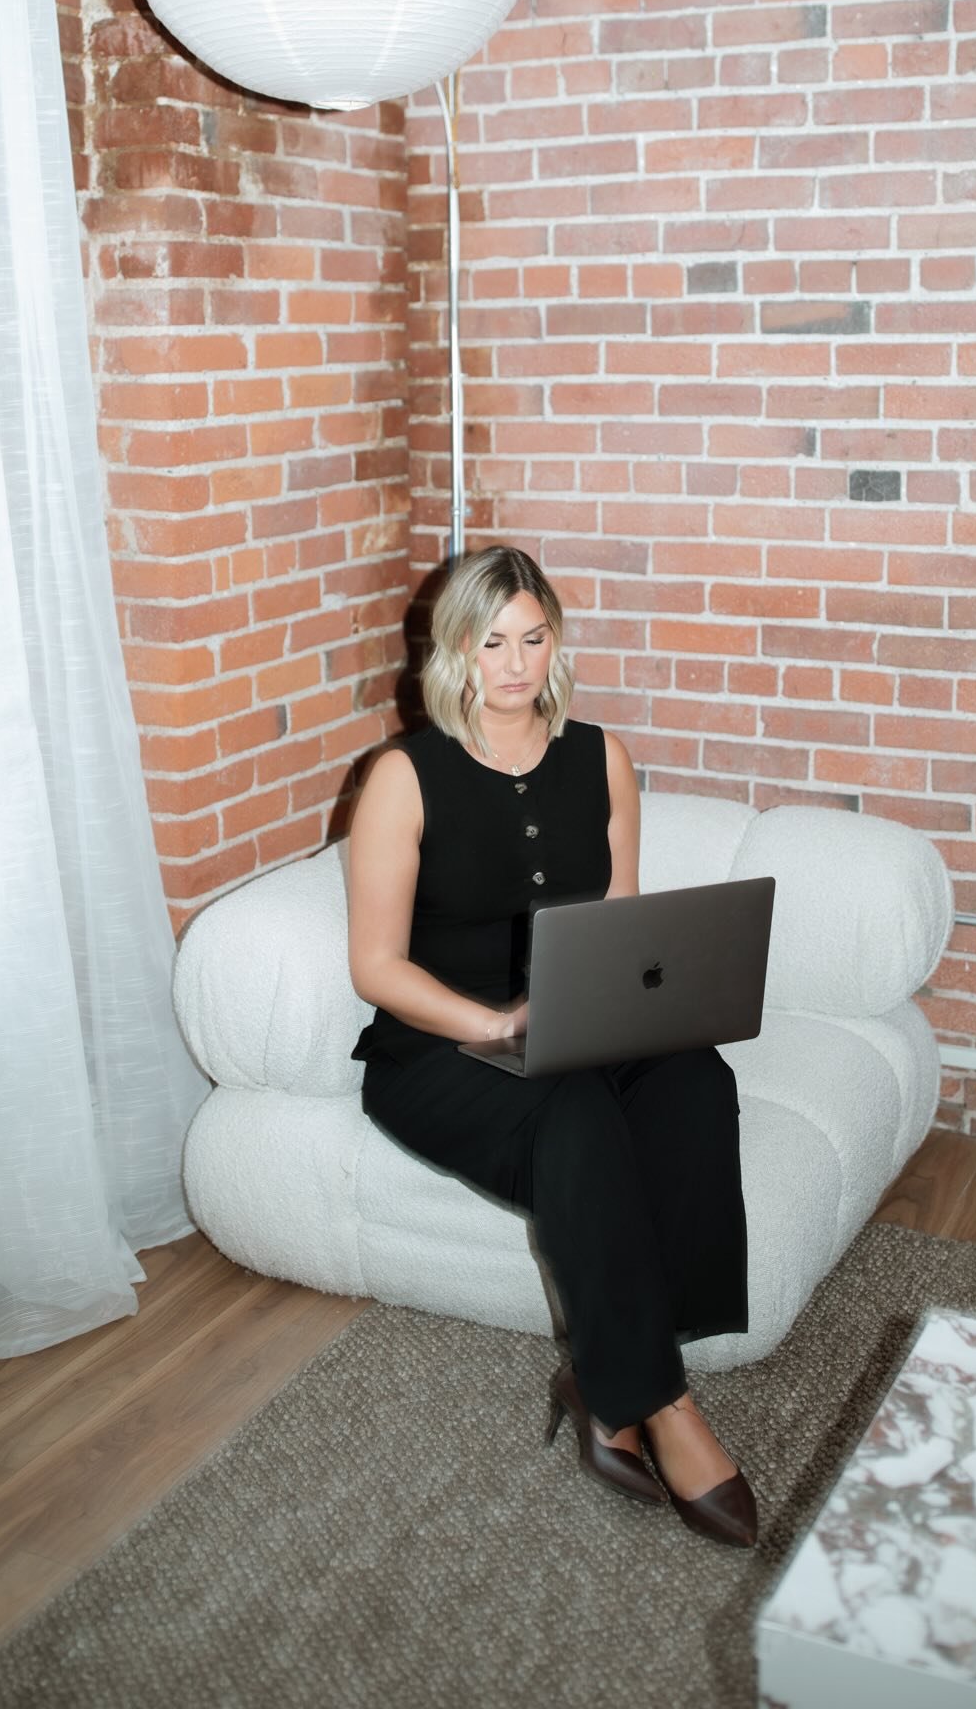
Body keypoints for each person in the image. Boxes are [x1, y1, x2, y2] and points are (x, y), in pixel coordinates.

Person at [348, 545, 755, 1547]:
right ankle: (659, 1400)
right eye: (491, 643)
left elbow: (620, 924)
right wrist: (494, 1023)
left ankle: (610, 1371)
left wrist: (633, 1013)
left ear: (555, 642)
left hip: (576, 1026)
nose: (515, 665)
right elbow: (375, 967)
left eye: (532, 639)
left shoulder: (600, 756)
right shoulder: (402, 776)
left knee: (695, 1079)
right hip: (440, 1047)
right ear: (454, 650)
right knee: (573, 1115)